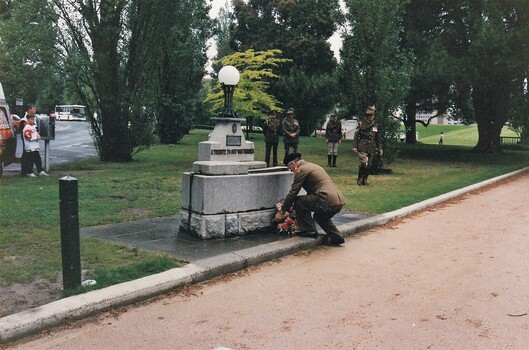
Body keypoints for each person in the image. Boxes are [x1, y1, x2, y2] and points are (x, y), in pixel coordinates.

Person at [275, 152, 346, 245]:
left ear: (293, 164)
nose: (291, 171)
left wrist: (282, 212)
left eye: (290, 168)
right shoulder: (313, 166)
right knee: (320, 217)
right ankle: (336, 237)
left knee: (298, 201)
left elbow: (293, 193)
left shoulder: (301, 170)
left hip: (326, 199)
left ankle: (309, 230)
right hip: (338, 200)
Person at [352, 106, 382, 186]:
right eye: (371, 115)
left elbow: (378, 137)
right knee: (364, 162)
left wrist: (380, 148)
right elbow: (356, 136)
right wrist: (354, 146)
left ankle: (365, 179)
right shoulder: (361, 124)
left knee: (369, 164)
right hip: (362, 146)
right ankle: (360, 178)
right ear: (368, 116)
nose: (372, 117)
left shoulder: (375, 125)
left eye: (373, 115)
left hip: (371, 147)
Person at [21, 105, 48, 177]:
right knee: (28, 157)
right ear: (29, 110)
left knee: (37, 157)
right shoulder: (24, 120)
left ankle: (40, 170)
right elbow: (26, 135)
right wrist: (34, 137)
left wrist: (38, 135)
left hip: (35, 145)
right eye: (34, 109)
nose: (35, 110)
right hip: (29, 145)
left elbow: (36, 130)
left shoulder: (34, 120)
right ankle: (27, 171)